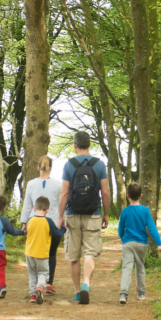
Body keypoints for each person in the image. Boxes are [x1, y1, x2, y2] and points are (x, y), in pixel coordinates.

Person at [58, 131, 111, 305]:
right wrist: (106, 214)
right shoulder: (99, 164)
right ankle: (86, 283)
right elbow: (105, 192)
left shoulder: (69, 165)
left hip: (73, 213)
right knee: (89, 253)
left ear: (75, 145)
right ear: (90, 144)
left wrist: (60, 216)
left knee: (73, 256)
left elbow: (64, 192)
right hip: (93, 213)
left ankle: (76, 292)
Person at [117, 182, 161, 305]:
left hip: (128, 243)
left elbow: (120, 229)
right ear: (141, 195)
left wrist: (124, 240)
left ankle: (123, 294)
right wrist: (159, 244)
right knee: (140, 267)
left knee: (127, 268)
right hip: (142, 244)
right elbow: (152, 228)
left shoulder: (124, 211)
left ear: (127, 196)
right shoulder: (145, 210)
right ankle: (141, 294)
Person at [20, 156, 63, 294]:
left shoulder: (31, 184)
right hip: (54, 222)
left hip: (35, 222)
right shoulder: (58, 184)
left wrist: (24, 223)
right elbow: (62, 205)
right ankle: (48, 282)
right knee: (51, 253)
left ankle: (37, 283)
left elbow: (27, 205)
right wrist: (64, 221)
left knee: (35, 251)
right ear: (51, 168)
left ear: (38, 168)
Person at [24, 196, 65, 304]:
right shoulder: (48, 221)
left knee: (32, 275)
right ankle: (40, 287)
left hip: (29, 253)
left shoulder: (29, 220)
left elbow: (26, 232)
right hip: (42, 253)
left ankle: (33, 296)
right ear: (47, 209)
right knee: (43, 273)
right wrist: (64, 228)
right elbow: (58, 234)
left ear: (34, 208)